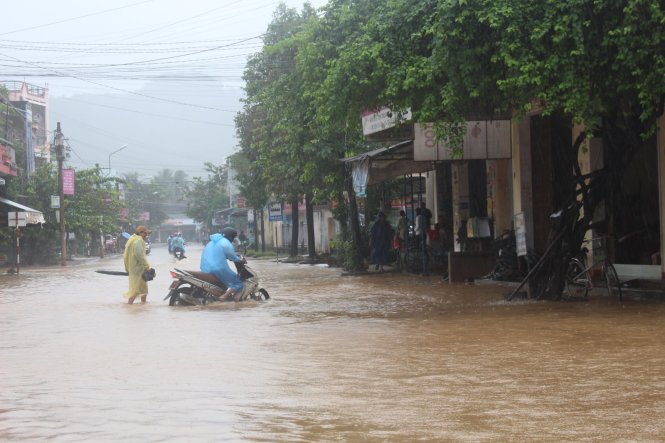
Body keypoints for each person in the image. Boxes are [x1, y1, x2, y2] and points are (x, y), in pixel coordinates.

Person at [200, 227, 246, 301]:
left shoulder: (212, 242)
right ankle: (224, 296)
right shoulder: (225, 242)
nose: (233, 240)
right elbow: (232, 256)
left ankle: (220, 294)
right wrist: (240, 260)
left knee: (223, 283)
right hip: (218, 269)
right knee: (239, 283)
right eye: (233, 238)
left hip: (205, 268)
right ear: (230, 237)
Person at [123, 225, 154, 304]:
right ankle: (129, 306)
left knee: (144, 290)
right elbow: (140, 256)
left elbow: (125, 257)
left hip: (134, 268)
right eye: (146, 234)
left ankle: (143, 305)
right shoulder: (138, 241)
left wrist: (127, 268)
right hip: (138, 269)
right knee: (135, 290)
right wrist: (147, 266)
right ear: (140, 233)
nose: (147, 236)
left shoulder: (131, 240)